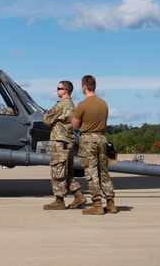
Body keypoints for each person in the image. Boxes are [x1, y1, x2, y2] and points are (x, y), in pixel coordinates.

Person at [72, 74, 116, 215]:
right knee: (103, 172)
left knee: (91, 173)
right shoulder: (103, 103)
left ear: (84, 87)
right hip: (102, 138)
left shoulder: (82, 105)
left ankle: (97, 205)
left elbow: (75, 125)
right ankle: (110, 203)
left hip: (88, 140)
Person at [42, 80, 87, 210]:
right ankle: (78, 195)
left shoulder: (60, 106)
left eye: (59, 88)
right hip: (69, 142)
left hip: (60, 142)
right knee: (67, 172)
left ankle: (59, 200)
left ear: (65, 91)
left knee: (57, 170)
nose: (57, 90)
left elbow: (46, 119)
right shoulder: (73, 106)